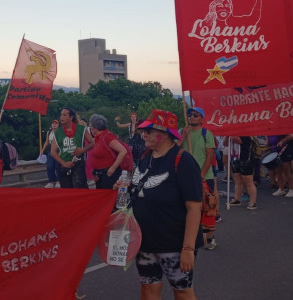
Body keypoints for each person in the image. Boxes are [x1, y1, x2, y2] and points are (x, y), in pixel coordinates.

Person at [126, 109, 202, 300]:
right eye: (143, 130)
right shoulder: (145, 157)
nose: (143, 134)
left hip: (174, 243)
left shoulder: (183, 160)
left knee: (182, 292)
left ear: (164, 133)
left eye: (149, 131)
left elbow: (194, 208)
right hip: (145, 241)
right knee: (148, 289)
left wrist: (188, 249)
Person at [177, 107, 217, 249]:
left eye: (195, 115)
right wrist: (183, 137)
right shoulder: (182, 131)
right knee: (187, 207)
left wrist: (202, 173)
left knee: (208, 206)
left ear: (202, 119)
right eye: (190, 115)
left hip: (204, 176)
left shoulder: (207, 134)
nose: (191, 117)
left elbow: (210, 155)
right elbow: (174, 148)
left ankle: (211, 238)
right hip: (185, 176)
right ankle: (190, 238)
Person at [50, 108, 94, 189]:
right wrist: (63, 163)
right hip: (64, 165)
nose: (61, 117)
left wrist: (83, 150)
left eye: (64, 115)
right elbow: (53, 151)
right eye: (61, 115)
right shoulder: (58, 132)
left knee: (79, 186)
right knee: (67, 191)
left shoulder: (81, 129)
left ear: (71, 117)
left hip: (78, 163)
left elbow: (92, 143)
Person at [88, 114, 127, 189]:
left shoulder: (107, 137)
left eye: (91, 127)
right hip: (100, 174)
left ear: (94, 128)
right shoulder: (98, 138)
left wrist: (112, 169)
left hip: (108, 173)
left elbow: (123, 151)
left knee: (107, 196)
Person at [226, 136, 258, 210]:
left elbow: (237, 140)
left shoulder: (245, 134)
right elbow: (225, 143)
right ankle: (237, 199)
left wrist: (229, 133)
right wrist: (226, 136)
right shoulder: (232, 135)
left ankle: (253, 202)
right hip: (235, 158)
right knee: (237, 181)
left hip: (246, 159)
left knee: (249, 182)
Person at [40, 120, 61, 188]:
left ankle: (58, 181)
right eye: (53, 123)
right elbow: (46, 142)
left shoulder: (60, 132)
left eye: (56, 123)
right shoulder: (49, 132)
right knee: (49, 166)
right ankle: (51, 181)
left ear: (58, 125)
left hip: (58, 151)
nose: (54, 125)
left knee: (58, 166)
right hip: (50, 151)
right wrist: (42, 150)